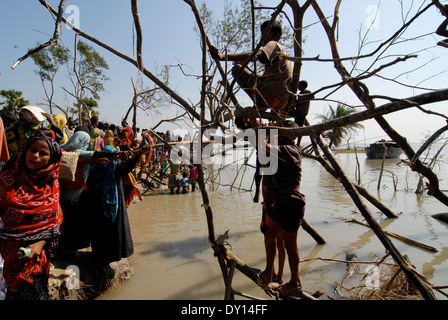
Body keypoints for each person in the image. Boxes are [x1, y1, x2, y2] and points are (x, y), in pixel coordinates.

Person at [0, 134, 62, 299]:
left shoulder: (50, 185)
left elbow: (55, 222)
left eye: (43, 154)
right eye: (33, 150)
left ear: (52, 160)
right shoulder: (5, 179)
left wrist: (40, 244)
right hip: (6, 257)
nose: (35, 156)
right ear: (25, 151)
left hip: (35, 257)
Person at [210, 20, 293, 128]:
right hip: (281, 102)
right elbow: (263, 78)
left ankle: (259, 104)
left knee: (236, 69)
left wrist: (222, 57)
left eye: (265, 34)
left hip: (270, 97)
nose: (262, 38)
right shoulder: (281, 57)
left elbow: (256, 55)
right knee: (242, 68)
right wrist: (247, 67)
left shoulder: (274, 44)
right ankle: (260, 104)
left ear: (276, 36)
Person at [258, 120, 306, 296]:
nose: (279, 136)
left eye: (282, 133)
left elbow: (265, 148)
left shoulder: (289, 150)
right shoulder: (284, 150)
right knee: (271, 237)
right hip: (285, 203)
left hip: (290, 202)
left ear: (292, 136)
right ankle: (269, 273)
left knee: (290, 245)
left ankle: (294, 282)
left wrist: (262, 132)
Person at [81, 145, 150, 265]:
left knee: (97, 233)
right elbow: (127, 166)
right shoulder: (114, 169)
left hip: (94, 207)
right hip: (110, 206)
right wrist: (138, 155)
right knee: (110, 232)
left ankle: (98, 256)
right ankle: (108, 257)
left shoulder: (91, 167)